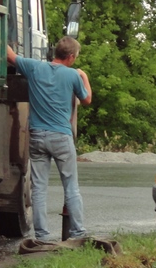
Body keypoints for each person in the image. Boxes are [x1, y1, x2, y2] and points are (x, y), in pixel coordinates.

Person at [7, 37, 93, 241]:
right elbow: (87, 99)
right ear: (70, 57)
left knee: (38, 188)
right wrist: (84, 76)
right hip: (61, 137)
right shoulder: (73, 75)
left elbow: (10, 55)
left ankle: (42, 237)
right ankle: (78, 233)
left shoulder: (34, 67)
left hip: (37, 136)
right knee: (71, 186)